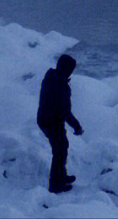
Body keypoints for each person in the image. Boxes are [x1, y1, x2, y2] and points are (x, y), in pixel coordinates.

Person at [37, 53, 83, 193]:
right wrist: (77, 126)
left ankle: (61, 177)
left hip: (46, 118)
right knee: (60, 151)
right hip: (52, 121)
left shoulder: (51, 77)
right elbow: (65, 111)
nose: (71, 72)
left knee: (62, 147)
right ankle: (56, 185)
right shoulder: (61, 86)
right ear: (66, 69)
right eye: (70, 69)